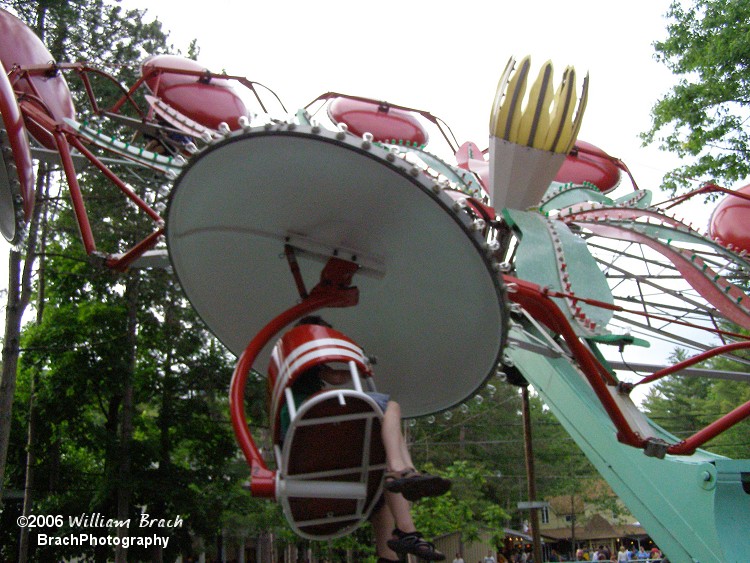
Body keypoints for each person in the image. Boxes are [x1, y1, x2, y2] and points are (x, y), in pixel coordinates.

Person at [274, 316, 451, 562]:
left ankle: (405, 532)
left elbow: (336, 376)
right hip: (315, 418)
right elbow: (335, 378)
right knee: (390, 406)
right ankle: (401, 468)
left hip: (309, 441)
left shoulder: (300, 371)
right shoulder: (305, 374)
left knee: (381, 496)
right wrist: (357, 363)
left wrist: (356, 365)